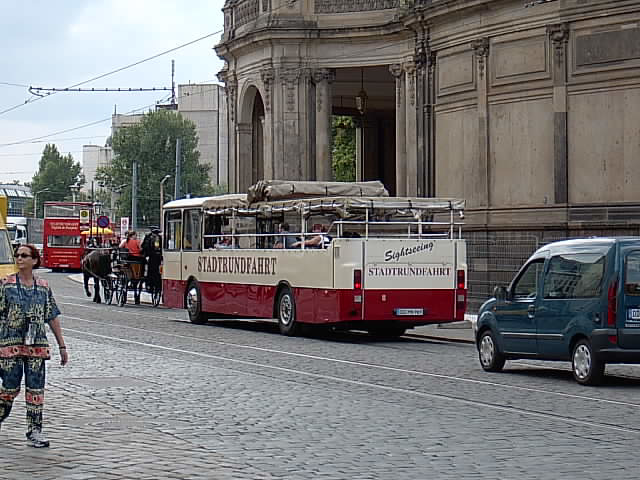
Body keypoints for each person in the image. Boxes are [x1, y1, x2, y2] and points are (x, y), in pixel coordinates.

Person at [0, 244, 68, 448]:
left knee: (36, 389)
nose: (19, 258)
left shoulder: (44, 286)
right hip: (9, 344)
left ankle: (34, 430)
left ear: (34, 260)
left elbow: (52, 315)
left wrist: (62, 345)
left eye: (24, 255)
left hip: (37, 345)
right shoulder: (6, 285)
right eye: (17, 255)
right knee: (9, 388)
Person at [119, 231, 144, 304]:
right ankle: (141, 274)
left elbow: (120, 247)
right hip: (136, 258)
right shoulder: (137, 241)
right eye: (135, 235)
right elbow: (140, 249)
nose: (136, 236)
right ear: (133, 236)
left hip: (128, 258)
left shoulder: (126, 241)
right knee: (144, 261)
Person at [141, 228, 162, 294]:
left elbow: (143, 247)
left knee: (150, 272)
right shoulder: (158, 238)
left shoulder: (149, 237)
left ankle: (150, 285)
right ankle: (157, 286)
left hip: (151, 257)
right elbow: (157, 248)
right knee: (156, 272)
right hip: (157, 257)